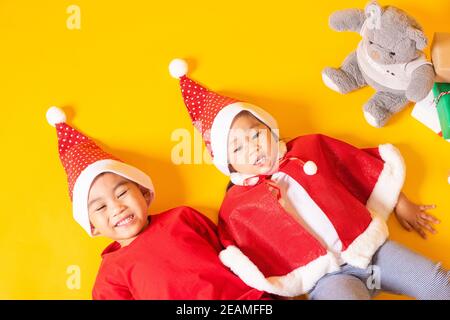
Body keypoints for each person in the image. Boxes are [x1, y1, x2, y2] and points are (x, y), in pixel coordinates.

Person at [169, 58, 450, 300]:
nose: (253, 148)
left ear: (270, 128)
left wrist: (400, 203)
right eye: (237, 148)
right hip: (327, 280)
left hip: (373, 251)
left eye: (255, 134)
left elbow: (358, 170)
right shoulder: (236, 206)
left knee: (437, 283)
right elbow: (244, 256)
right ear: (227, 163)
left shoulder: (309, 149)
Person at [46, 106, 269, 300]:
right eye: (100, 207)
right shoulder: (110, 277)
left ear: (144, 193)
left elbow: (230, 249)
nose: (116, 208)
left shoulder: (182, 217)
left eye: (122, 193)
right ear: (91, 225)